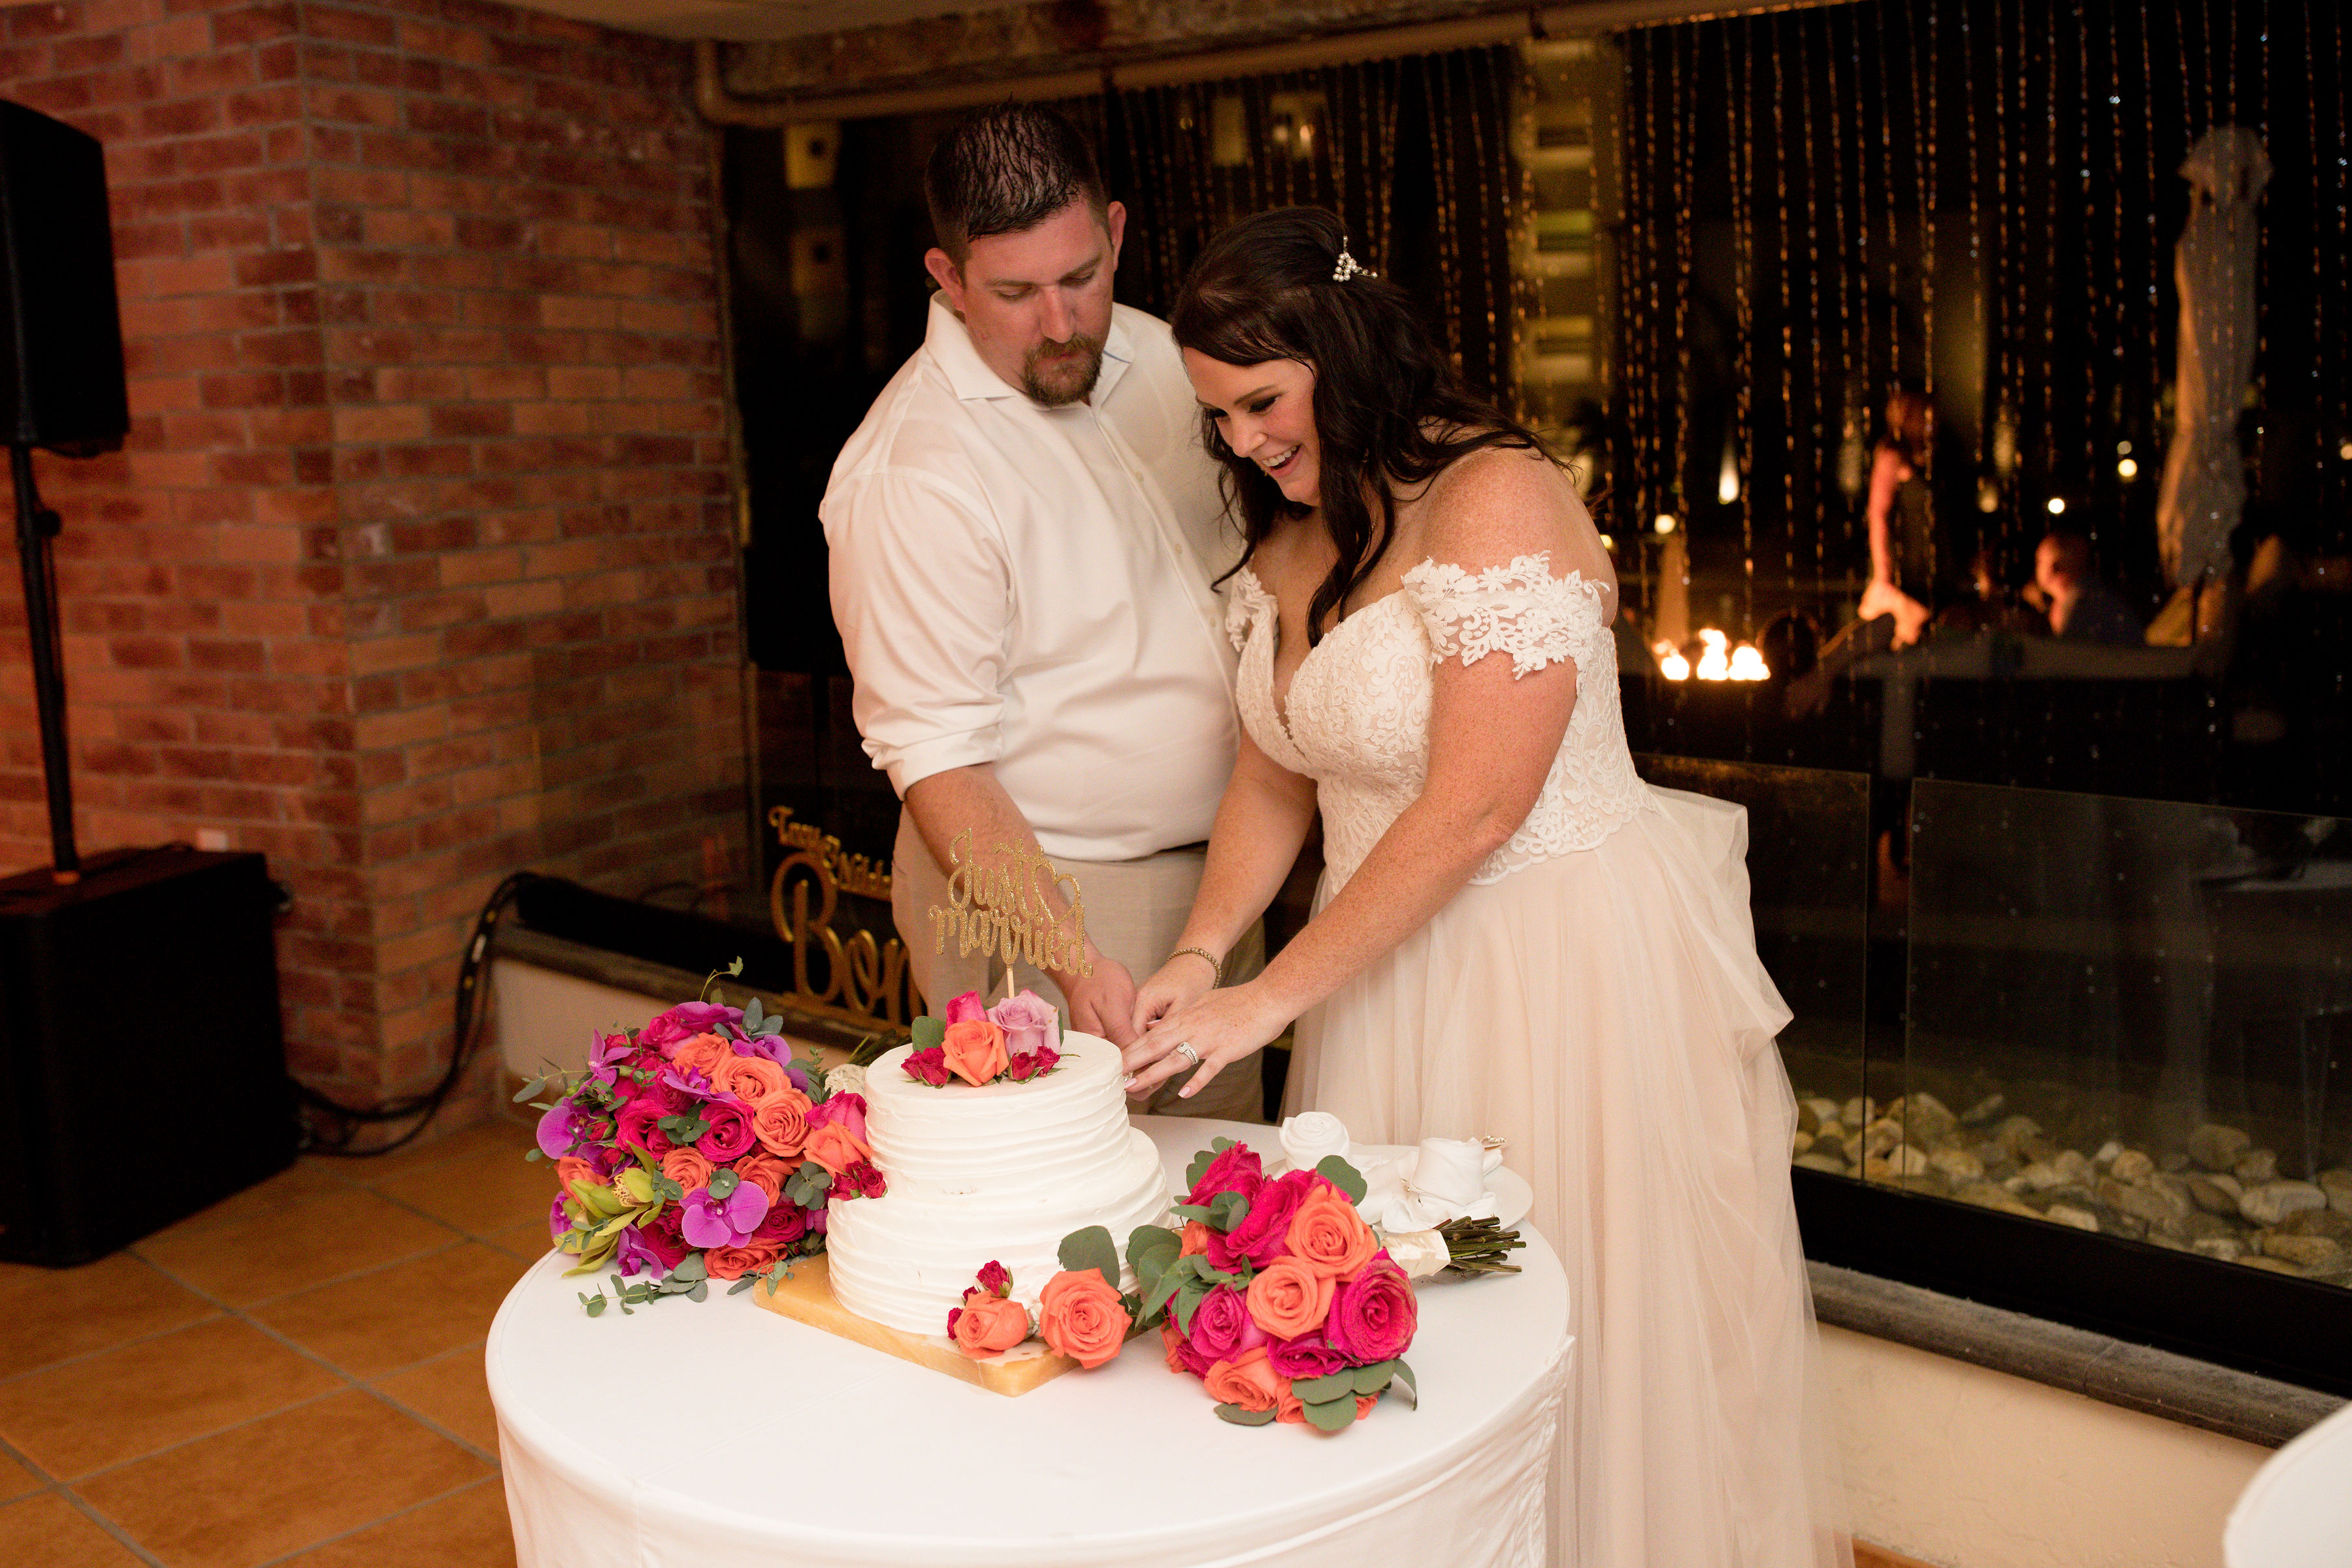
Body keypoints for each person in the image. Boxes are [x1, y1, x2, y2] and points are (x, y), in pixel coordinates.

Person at [1119, 206, 1848, 1568]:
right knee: (1395, 1338)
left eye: (1262, 403)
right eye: (1218, 418)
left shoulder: (1499, 497)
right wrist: (1205, 954)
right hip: (1374, 971)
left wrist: (1267, 998)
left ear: (1344, 351)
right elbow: (1280, 774)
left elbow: (1477, 806)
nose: (1242, 443)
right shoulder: (1293, 535)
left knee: (1570, 1332)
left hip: (1552, 975)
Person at [821, 105, 1261, 1119]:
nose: (1061, 324)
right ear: (947, 277)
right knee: (1069, 1242)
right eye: (1016, 294)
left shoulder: (1165, 358)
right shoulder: (914, 473)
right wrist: (1073, 959)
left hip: (1222, 879)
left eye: (1080, 278)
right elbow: (938, 763)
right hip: (1049, 902)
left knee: (1220, 1201)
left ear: (1116, 233)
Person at [2033, 531, 2145, 644]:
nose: (2036, 569)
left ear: (2055, 567)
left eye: (2040, 562)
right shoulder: (2100, 599)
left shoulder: (2084, 609)